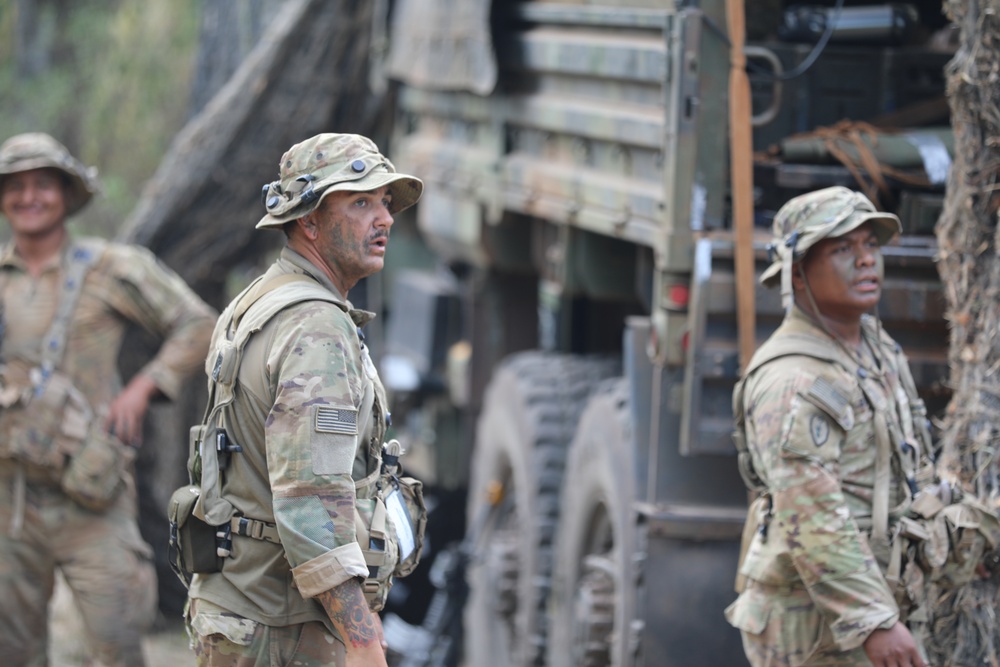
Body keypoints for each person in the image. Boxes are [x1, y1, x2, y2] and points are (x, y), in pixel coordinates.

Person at [185, 133, 424, 667]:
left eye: (385, 202)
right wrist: (362, 639)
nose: (383, 218)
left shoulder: (260, 298)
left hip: (240, 612)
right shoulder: (316, 328)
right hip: (284, 629)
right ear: (309, 221)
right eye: (360, 202)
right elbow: (310, 503)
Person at [0, 132, 217, 666]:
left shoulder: (111, 266)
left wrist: (144, 388)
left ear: (67, 195)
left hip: (91, 497)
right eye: (16, 186)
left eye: (43, 185)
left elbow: (199, 324)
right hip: (9, 501)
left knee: (116, 642)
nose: (30, 197)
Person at [725, 186, 940, 666]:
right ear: (797, 273)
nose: (866, 261)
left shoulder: (872, 345)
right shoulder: (794, 379)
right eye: (843, 248)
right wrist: (873, 621)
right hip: (816, 627)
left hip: (866, 600)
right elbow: (812, 513)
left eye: (871, 245)